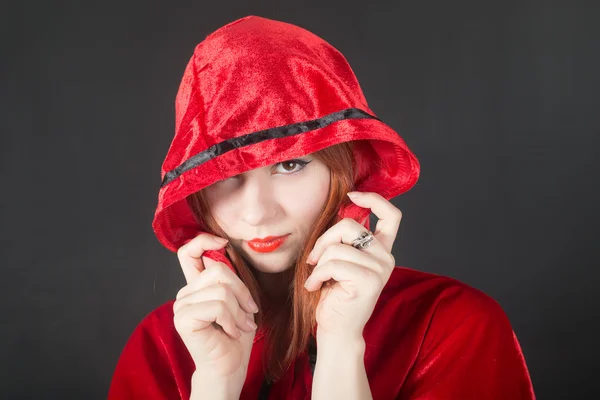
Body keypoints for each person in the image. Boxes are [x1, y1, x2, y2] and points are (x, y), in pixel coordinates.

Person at [108, 15, 535, 400]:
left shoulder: (452, 325)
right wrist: (216, 382)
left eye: (290, 164)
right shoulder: (163, 346)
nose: (257, 213)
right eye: (223, 176)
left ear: (346, 166)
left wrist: (342, 349)